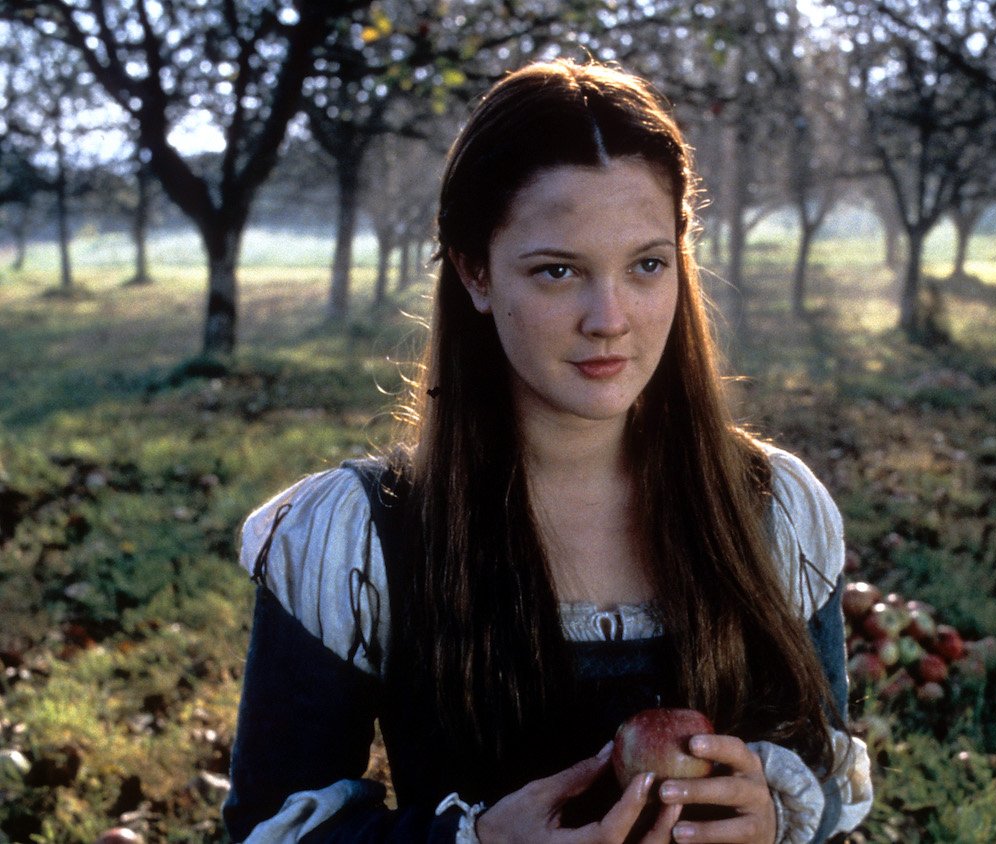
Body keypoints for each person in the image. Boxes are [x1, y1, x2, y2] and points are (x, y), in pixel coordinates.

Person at [222, 59, 872, 844]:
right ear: (475, 272)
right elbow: (270, 828)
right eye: (558, 270)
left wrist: (772, 812)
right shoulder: (360, 538)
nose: (610, 318)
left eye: (645, 265)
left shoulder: (774, 512)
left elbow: (825, 772)